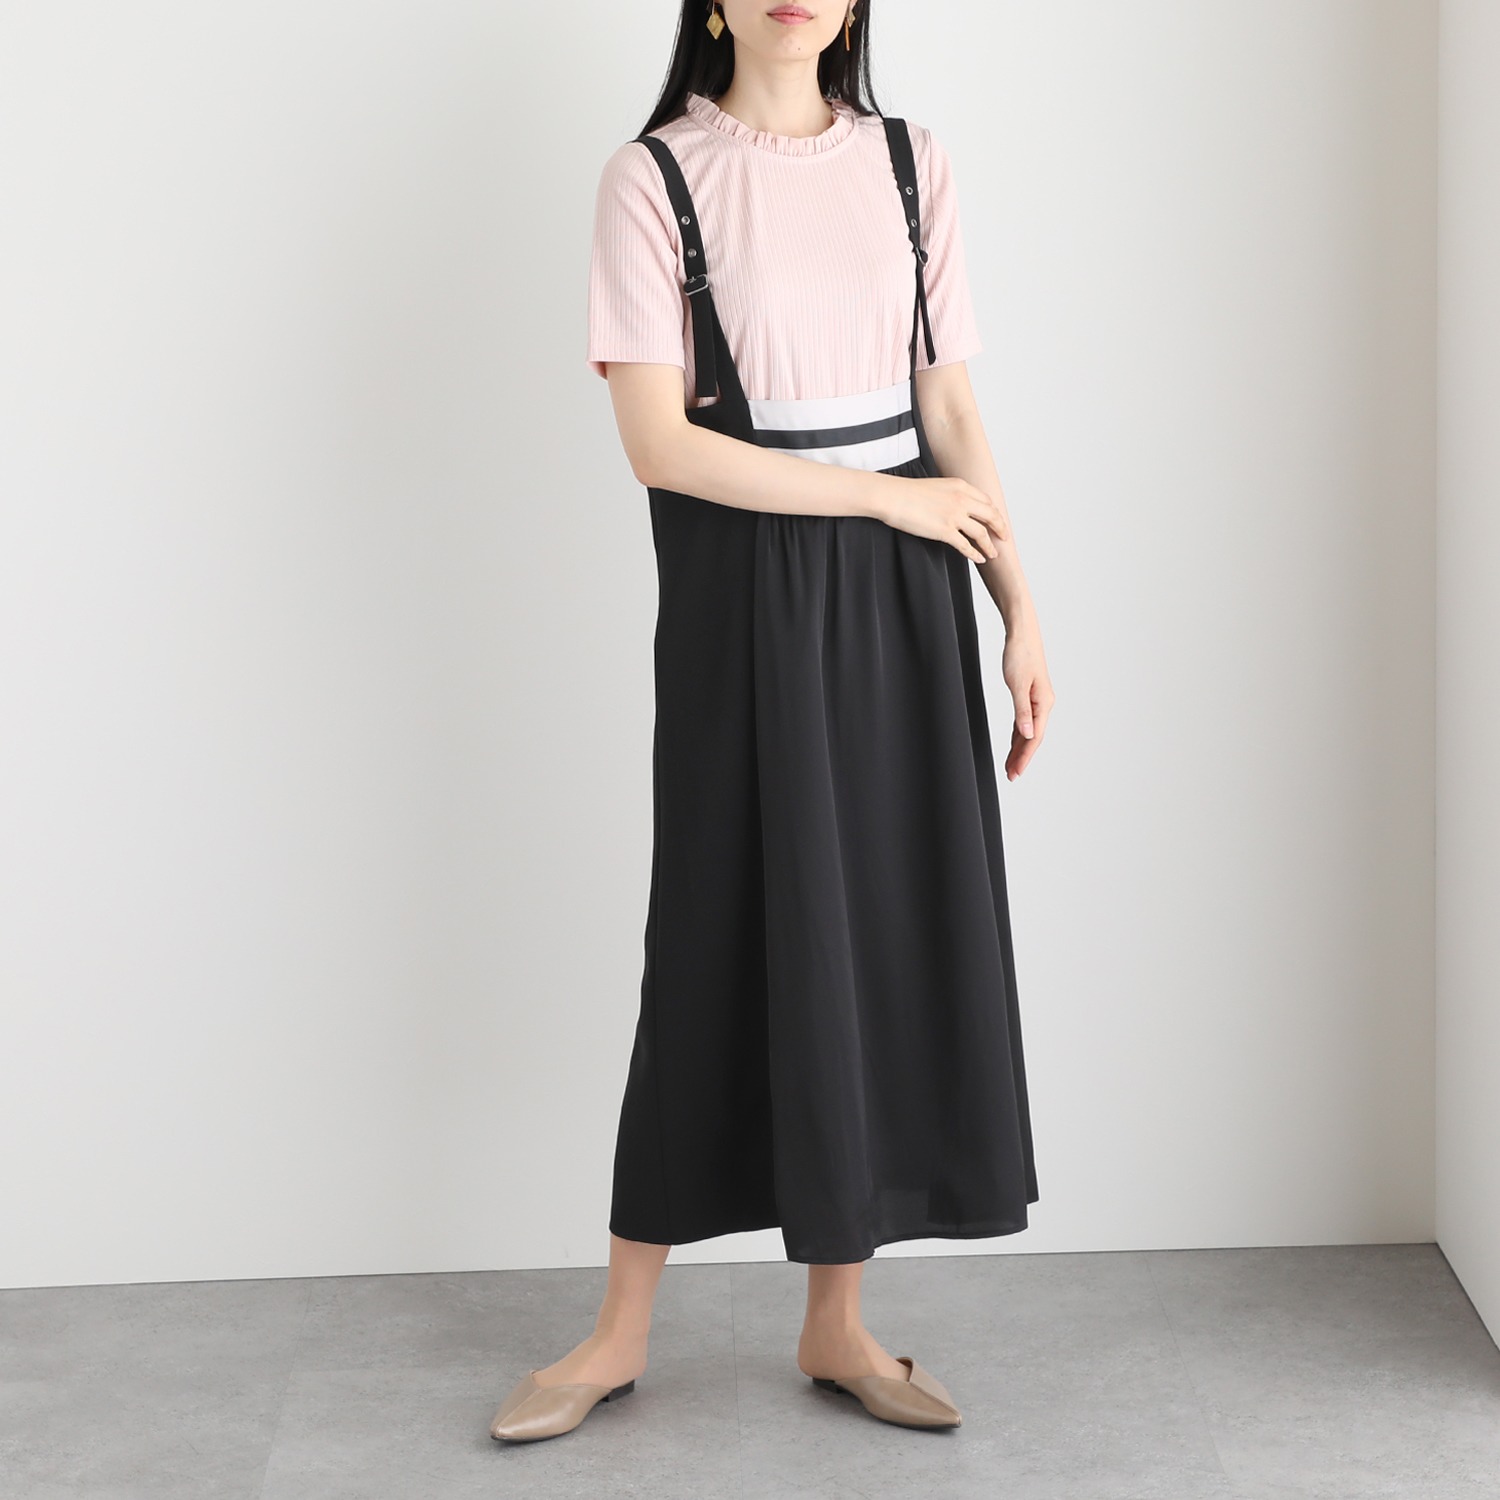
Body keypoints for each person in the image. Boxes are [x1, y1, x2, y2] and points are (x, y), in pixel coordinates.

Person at [490, 0, 1054, 1444]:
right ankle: (618, 1332)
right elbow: (658, 444)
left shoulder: (912, 162)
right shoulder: (653, 177)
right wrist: (879, 501)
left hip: (912, 590)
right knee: (715, 929)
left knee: (874, 928)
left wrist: (1019, 606)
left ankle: (837, 1323)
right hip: (744, 590)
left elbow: (950, 407)